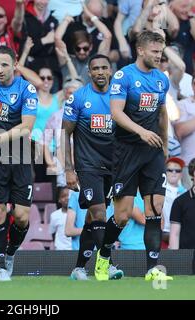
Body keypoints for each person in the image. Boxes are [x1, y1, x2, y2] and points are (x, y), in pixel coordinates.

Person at [95, 30, 173, 281]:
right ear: (140, 50)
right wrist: (141, 132)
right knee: (123, 215)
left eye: (161, 52)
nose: (159, 56)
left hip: (152, 150)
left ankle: (152, 269)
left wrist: (165, 144)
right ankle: (104, 256)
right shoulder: (123, 76)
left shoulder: (162, 79)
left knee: (155, 208)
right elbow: (116, 112)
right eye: (154, 51)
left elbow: (162, 113)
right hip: (126, 151)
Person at [0, 46, 38, 281]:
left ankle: (11, 252)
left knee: (21, 216)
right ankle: (1, 267)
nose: (0, 70)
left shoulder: (26, 88)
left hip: (20, 156)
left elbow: (27, 127)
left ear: (15, 65)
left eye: (4, 65)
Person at [62, 54, 123, 281]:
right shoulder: (78, 98)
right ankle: (107, 264)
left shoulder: (119, 97)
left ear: (110, 71)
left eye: (103, 68)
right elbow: (64, 133)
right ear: (89, 72)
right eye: (95, 68)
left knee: (91, 219)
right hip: (88, 166)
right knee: (99, 213)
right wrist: (69, 169)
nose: (99, 72)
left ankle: (78, 267)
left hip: (113, 167)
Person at [169, 157, 195, 249]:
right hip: (187, 257)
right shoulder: (180, 202)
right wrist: (175, 260)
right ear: (193, 174)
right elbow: (174, 235)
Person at [162, 156, 186, 245]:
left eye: (178, 170)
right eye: (170, 170)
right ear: (165, 171)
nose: (174, 172)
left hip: (179, 233)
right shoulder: (160, 190)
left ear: (181, 174)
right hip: (162, 232)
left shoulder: (185, 192)